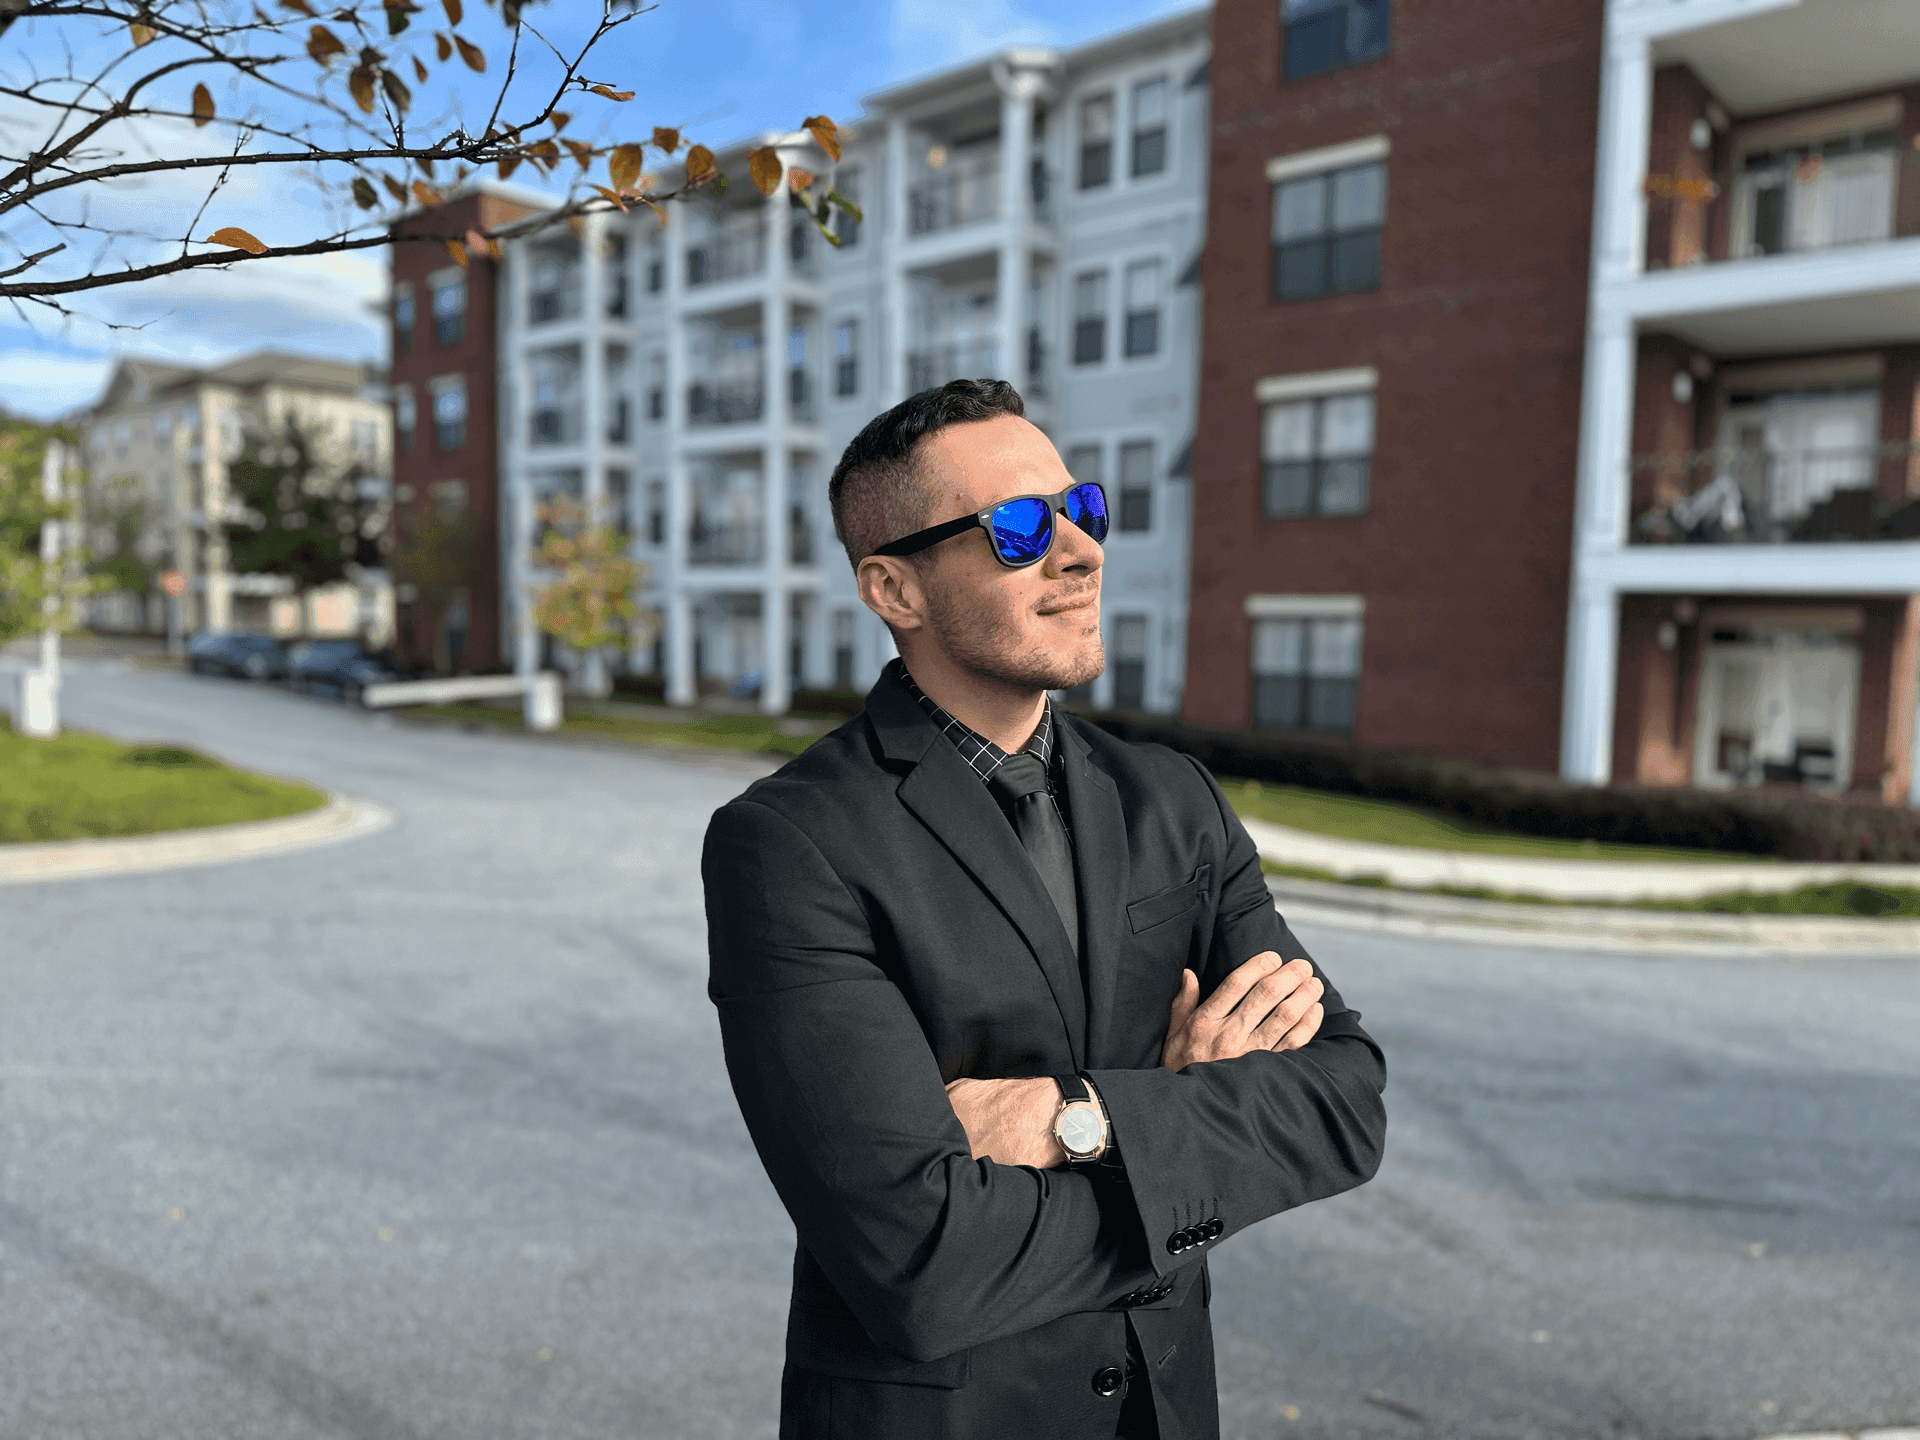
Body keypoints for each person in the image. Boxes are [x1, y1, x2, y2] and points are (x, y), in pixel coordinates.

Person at [703, 380, 1387, 1440]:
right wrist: (1189, 1124)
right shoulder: (790, 844)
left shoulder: (1174, 800)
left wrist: (1079, 1119)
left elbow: (1342, 1104)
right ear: (896, 590)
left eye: (1086, 511)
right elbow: (922, 1264)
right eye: (1021, 530)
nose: (1079, 551)